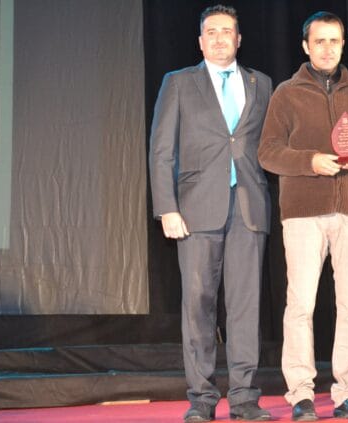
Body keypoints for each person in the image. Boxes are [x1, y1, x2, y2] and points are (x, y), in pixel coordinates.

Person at [258, 11, 348, 421]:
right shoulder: (286, 94)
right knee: (301, 305)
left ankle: (347, 393)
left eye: (335, 40)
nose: (328, 48)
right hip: (303, 212)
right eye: (320, 41)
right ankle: (301, 395)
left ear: (343, 44)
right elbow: (267, 152)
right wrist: (310, 162)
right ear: (305, 46)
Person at [149, 5, 272, 422]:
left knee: (245, 308)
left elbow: (269, 145)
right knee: (198, 306)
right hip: (195, 210)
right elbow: (161, 150)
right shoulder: (179, 82)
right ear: (201, 42)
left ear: (239, 39)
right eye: (212, 32)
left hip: (249, 209)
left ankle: (244, 398)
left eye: (227, 31)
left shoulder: (261, 83)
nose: (220, 38)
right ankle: (201, 399)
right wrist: (167, 207)